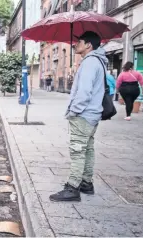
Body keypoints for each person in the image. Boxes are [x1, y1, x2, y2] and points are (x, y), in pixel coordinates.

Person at [49, 31, 106, 202]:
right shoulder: (98, 62)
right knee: (87, 149)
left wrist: (74, 111)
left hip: (84, 114)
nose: (75, 45)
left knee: (77, 151)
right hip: (93, 114)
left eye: (79, 42)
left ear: (88, 45)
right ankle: (86, 183)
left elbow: (84, 92)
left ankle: (72, 187)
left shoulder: (89, 63)